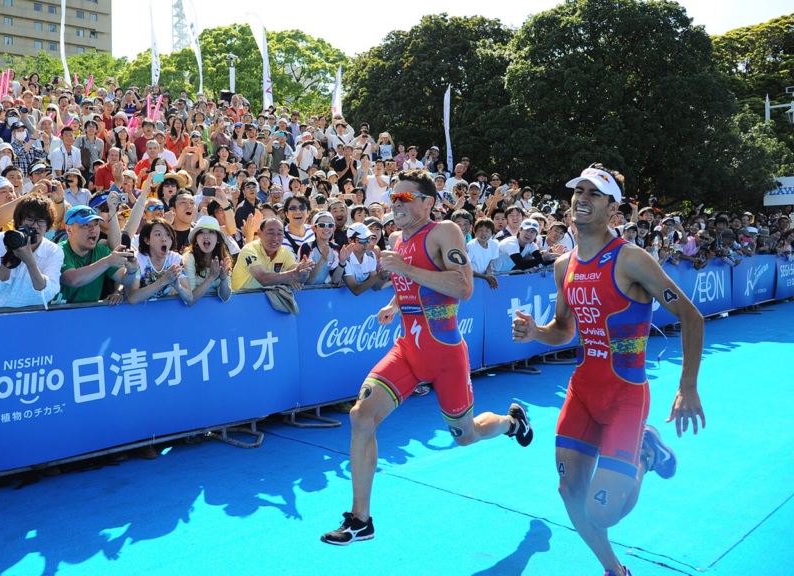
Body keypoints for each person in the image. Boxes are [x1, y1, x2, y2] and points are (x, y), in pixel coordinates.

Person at [511, 164, 706, 576]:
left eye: (594, 193)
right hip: (582, 390)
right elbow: (564, 330)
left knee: (603, 514)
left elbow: (691, 317)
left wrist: (687, 387)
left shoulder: (632, 259)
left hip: (625, 396)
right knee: (569, 491)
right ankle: (615, 571)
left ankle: (646, 453)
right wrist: (535, 333)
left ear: (612, 208)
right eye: (578, 191)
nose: (582, 198)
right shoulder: (563, 265)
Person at [321, 169, 533, 546]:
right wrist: (392, 305)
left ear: (427, 202)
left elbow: (463, 287)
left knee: (465, 436)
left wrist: (403, 269)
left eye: (404, 198)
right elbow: (410, 284)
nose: (395, 204)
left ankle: (512, 422)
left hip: (445, 351)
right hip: (407, 347)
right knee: (361, 415)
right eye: (393, 198)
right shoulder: (396, 238)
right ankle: (360, 519)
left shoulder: (444, 231)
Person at [0, 194, 63, 309]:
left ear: (48, 226)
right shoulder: (1, 240)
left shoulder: (54, 251)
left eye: (41, 221)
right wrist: (10, 255)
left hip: (29, 319)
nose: (35, 226)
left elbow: (47, 295)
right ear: (19, 221)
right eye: (29, 219)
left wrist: (30, 261)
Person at [57, 204, 137, 304]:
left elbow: (124, 279)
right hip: (60, 315)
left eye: (96, 224)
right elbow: (72, 280)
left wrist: (131, 271)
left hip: (92, 315)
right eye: (86, 225)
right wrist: (107, 261)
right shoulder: (58, 251)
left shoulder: (102, 251)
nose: (93, 229)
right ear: (69, 230)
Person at [231, 218, 315, 291]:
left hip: (266, 301)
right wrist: (293, 274)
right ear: (259, 233)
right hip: (240, 301)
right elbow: (263, 279)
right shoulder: (249, 249)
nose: (275, 238)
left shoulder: (285, 252)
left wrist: (304, 272)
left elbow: (298, 278)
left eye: (279, 234)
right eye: (270, 233)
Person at [125, 218, 193, 304]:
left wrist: (178, 287)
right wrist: (164, 280)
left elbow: (189, 298)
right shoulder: (137, 259)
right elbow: (132, 298)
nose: (164, 239)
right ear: (147, 240)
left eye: (168, 235)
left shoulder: (176, 259)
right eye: (158, 234)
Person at [181, 216, 233, 305]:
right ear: (196, 239)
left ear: (217, 238)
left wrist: (223, 279)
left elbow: (225, 298)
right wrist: (211, 277)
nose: (206, 236)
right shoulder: (189, 258)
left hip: (214, 310)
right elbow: (189, 300)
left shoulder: (224, 255)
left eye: (211, 232)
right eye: (201, 232)